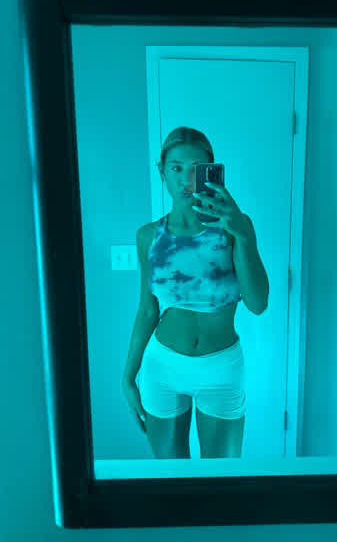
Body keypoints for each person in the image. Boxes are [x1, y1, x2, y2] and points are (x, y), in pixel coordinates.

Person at [122, 126, 269, 459]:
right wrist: (128, 377)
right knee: (171, 478)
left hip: (221, 369)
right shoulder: (148, 236)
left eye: (196, 169)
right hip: (162, 366)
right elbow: (147, 310)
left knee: (221, 479)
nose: (186, 180)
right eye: (176, 168)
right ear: (162, 171)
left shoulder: (235, 228)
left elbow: (258, 303)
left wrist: (243, 235)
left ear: (211, 173)